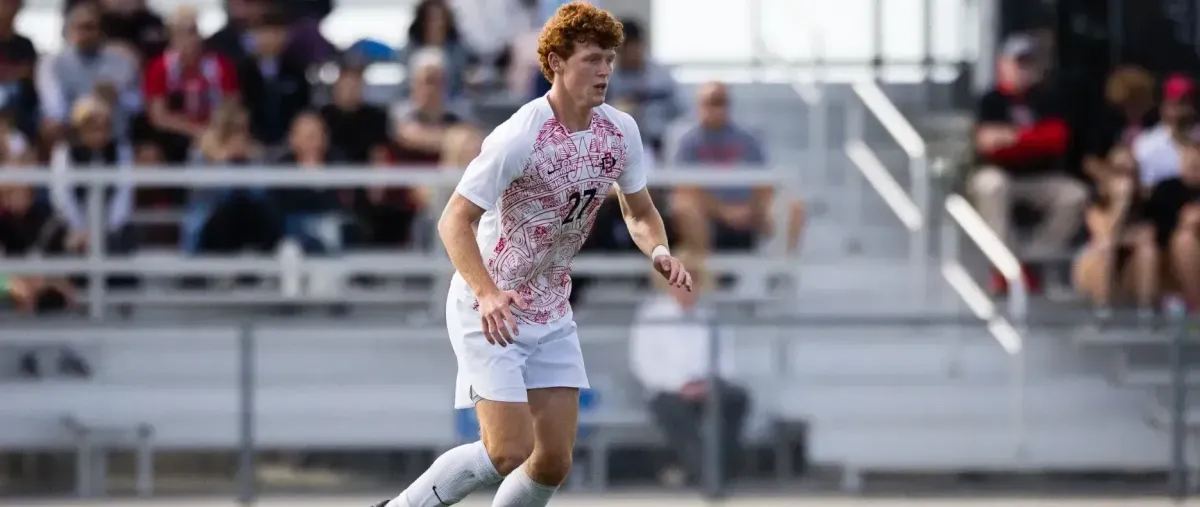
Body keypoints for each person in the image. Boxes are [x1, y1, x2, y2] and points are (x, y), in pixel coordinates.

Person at [371, 3, 691, 507]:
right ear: (556, 62)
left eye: (609, 58)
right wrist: (487, 293)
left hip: (550, 304)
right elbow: (453, 220)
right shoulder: (519, 134)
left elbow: (640, 210)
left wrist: (658, 250)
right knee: (508, 450)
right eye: (591, 58)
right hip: (492, 305)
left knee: (553, 460)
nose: (605, 69)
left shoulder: (620, 131)